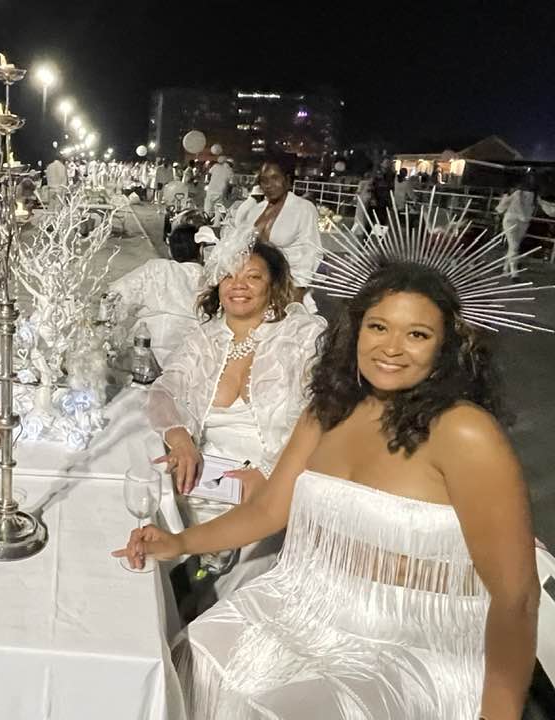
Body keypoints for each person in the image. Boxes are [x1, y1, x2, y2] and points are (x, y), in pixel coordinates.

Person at [116, 258, 540, 719]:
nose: (392, 348)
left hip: (410, 637)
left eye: (417, 334)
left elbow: (516, 597)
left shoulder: (465, 432)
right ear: (355, 330)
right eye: (378, 327)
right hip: (306, 604)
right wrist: (177, 543)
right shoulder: (329, 410)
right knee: (195, 651)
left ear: (446, 346)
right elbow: (267, 511)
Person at [146, 238, 325, 591]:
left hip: (274, 479)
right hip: (205, 473)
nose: (238, 285)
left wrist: (269, 474)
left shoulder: (301, 337)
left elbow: (321, 414)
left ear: (273, 286)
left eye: (253, 277)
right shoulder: (204, 340)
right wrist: (180, 439)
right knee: (151, 497)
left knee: (245, 572)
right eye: (228, 275)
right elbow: (163, 390)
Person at [109, 225, 208, 365]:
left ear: (170, 250)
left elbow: (115, 296)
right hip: (191, 355)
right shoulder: (210, 278)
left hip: (146, 349)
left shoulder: (157, 269)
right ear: (201, 250)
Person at [238, 159, 323, 304]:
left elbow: (312, 251)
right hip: (257, 286)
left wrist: (299, 288)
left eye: (275, 178)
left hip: (288, 285)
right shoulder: (256, 210)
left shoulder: (303, 208)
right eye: (264, 180)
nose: (269, 185)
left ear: (287, 180)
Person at [496, 178, 537, 277]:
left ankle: (505, 269)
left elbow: (546, 207)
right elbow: (503, 206)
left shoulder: (534, 195)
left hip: (523, 222)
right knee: (514, 246)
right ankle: (514, 272)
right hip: (511, 221)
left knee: (513, 246)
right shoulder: (517, 193)